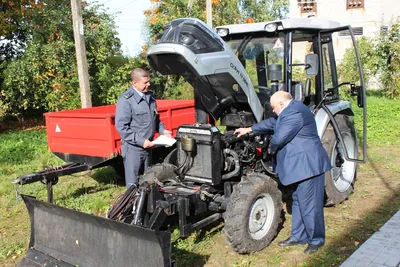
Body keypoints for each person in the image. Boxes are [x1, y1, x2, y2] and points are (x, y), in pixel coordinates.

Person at [235, 91, 332, 254]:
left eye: (273, 107)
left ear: (281, 103)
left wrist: (268, 150)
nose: (273, 110)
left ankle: (316, 240)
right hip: (299, 167)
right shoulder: (288, 111)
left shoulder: (294, 112)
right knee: (297, 201)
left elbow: (279, 138)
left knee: (310, 205)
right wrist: (250, 129)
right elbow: (273, 122)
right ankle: (298, 236)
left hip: (308, 166)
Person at [115, 68, 172, 188]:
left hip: (148, 147)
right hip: (133, 150)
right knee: (133, 186)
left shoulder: (150, 97)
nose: (149, 84)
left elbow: (155, 119)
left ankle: (146, 206)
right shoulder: (126, 100)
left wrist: (162, 130)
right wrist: (141, 141)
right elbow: (122, 127)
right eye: (145, 83)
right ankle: (133, 206)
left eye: (149, 81)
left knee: (148, 181)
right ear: (134, 83)